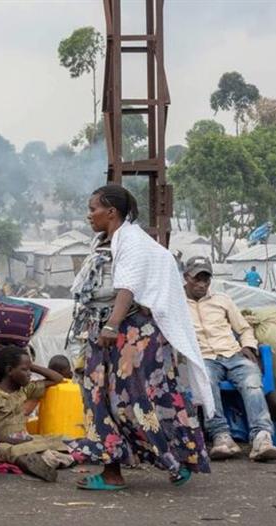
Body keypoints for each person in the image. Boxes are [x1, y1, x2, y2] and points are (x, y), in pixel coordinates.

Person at [66, 184, 212, 491]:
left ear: (112, 212)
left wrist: (112, 325)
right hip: (102, 330)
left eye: (94, 209)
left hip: (129, 333)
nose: (89, 214)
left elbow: (127, 287)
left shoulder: (131, 240)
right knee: (98, 397)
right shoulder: (103, 241)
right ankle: (112, 470)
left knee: (135, 398)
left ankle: (176, 459)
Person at [184, 256, 276, 461]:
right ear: (186, 278)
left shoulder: (222, 300)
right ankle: (221, 436)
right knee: (206, 382)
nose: (202, 284)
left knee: (252, 381)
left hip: (231, 353)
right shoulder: (177, 303)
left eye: (206, 279)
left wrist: (248, 345)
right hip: (204, 358)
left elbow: (243, 328)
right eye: (197, 279)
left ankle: (262, 438)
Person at [0, 346, 75, 482]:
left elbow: (57, 378)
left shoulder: (25, 390)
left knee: (59, 439)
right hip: (4, 441)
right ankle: (36, 463)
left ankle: (45, 458)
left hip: (25, 437)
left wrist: (31, 365)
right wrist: (17, 442)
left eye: (30, 369)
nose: (29, 373)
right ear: (9, 370)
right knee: (10, 451)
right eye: (25, 369)